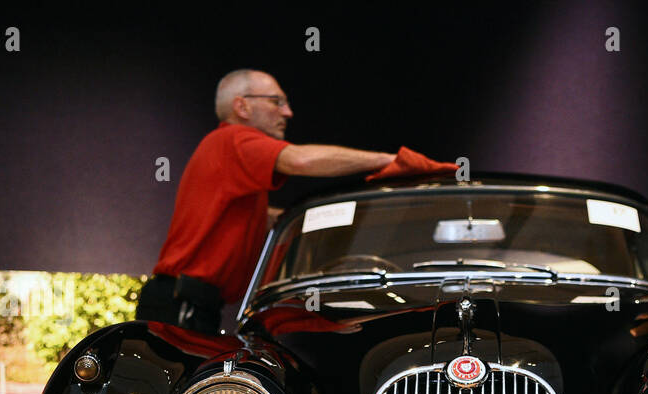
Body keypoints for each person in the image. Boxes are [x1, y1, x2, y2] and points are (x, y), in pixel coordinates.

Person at [138, 69, 454, 335]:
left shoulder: (231, 160)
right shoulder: (232, 140)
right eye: (277, 102)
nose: (287, 113)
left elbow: (268, 220)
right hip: (181, 303)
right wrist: (390, 161)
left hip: (192, 302)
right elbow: (300, 161)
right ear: (242, 107)